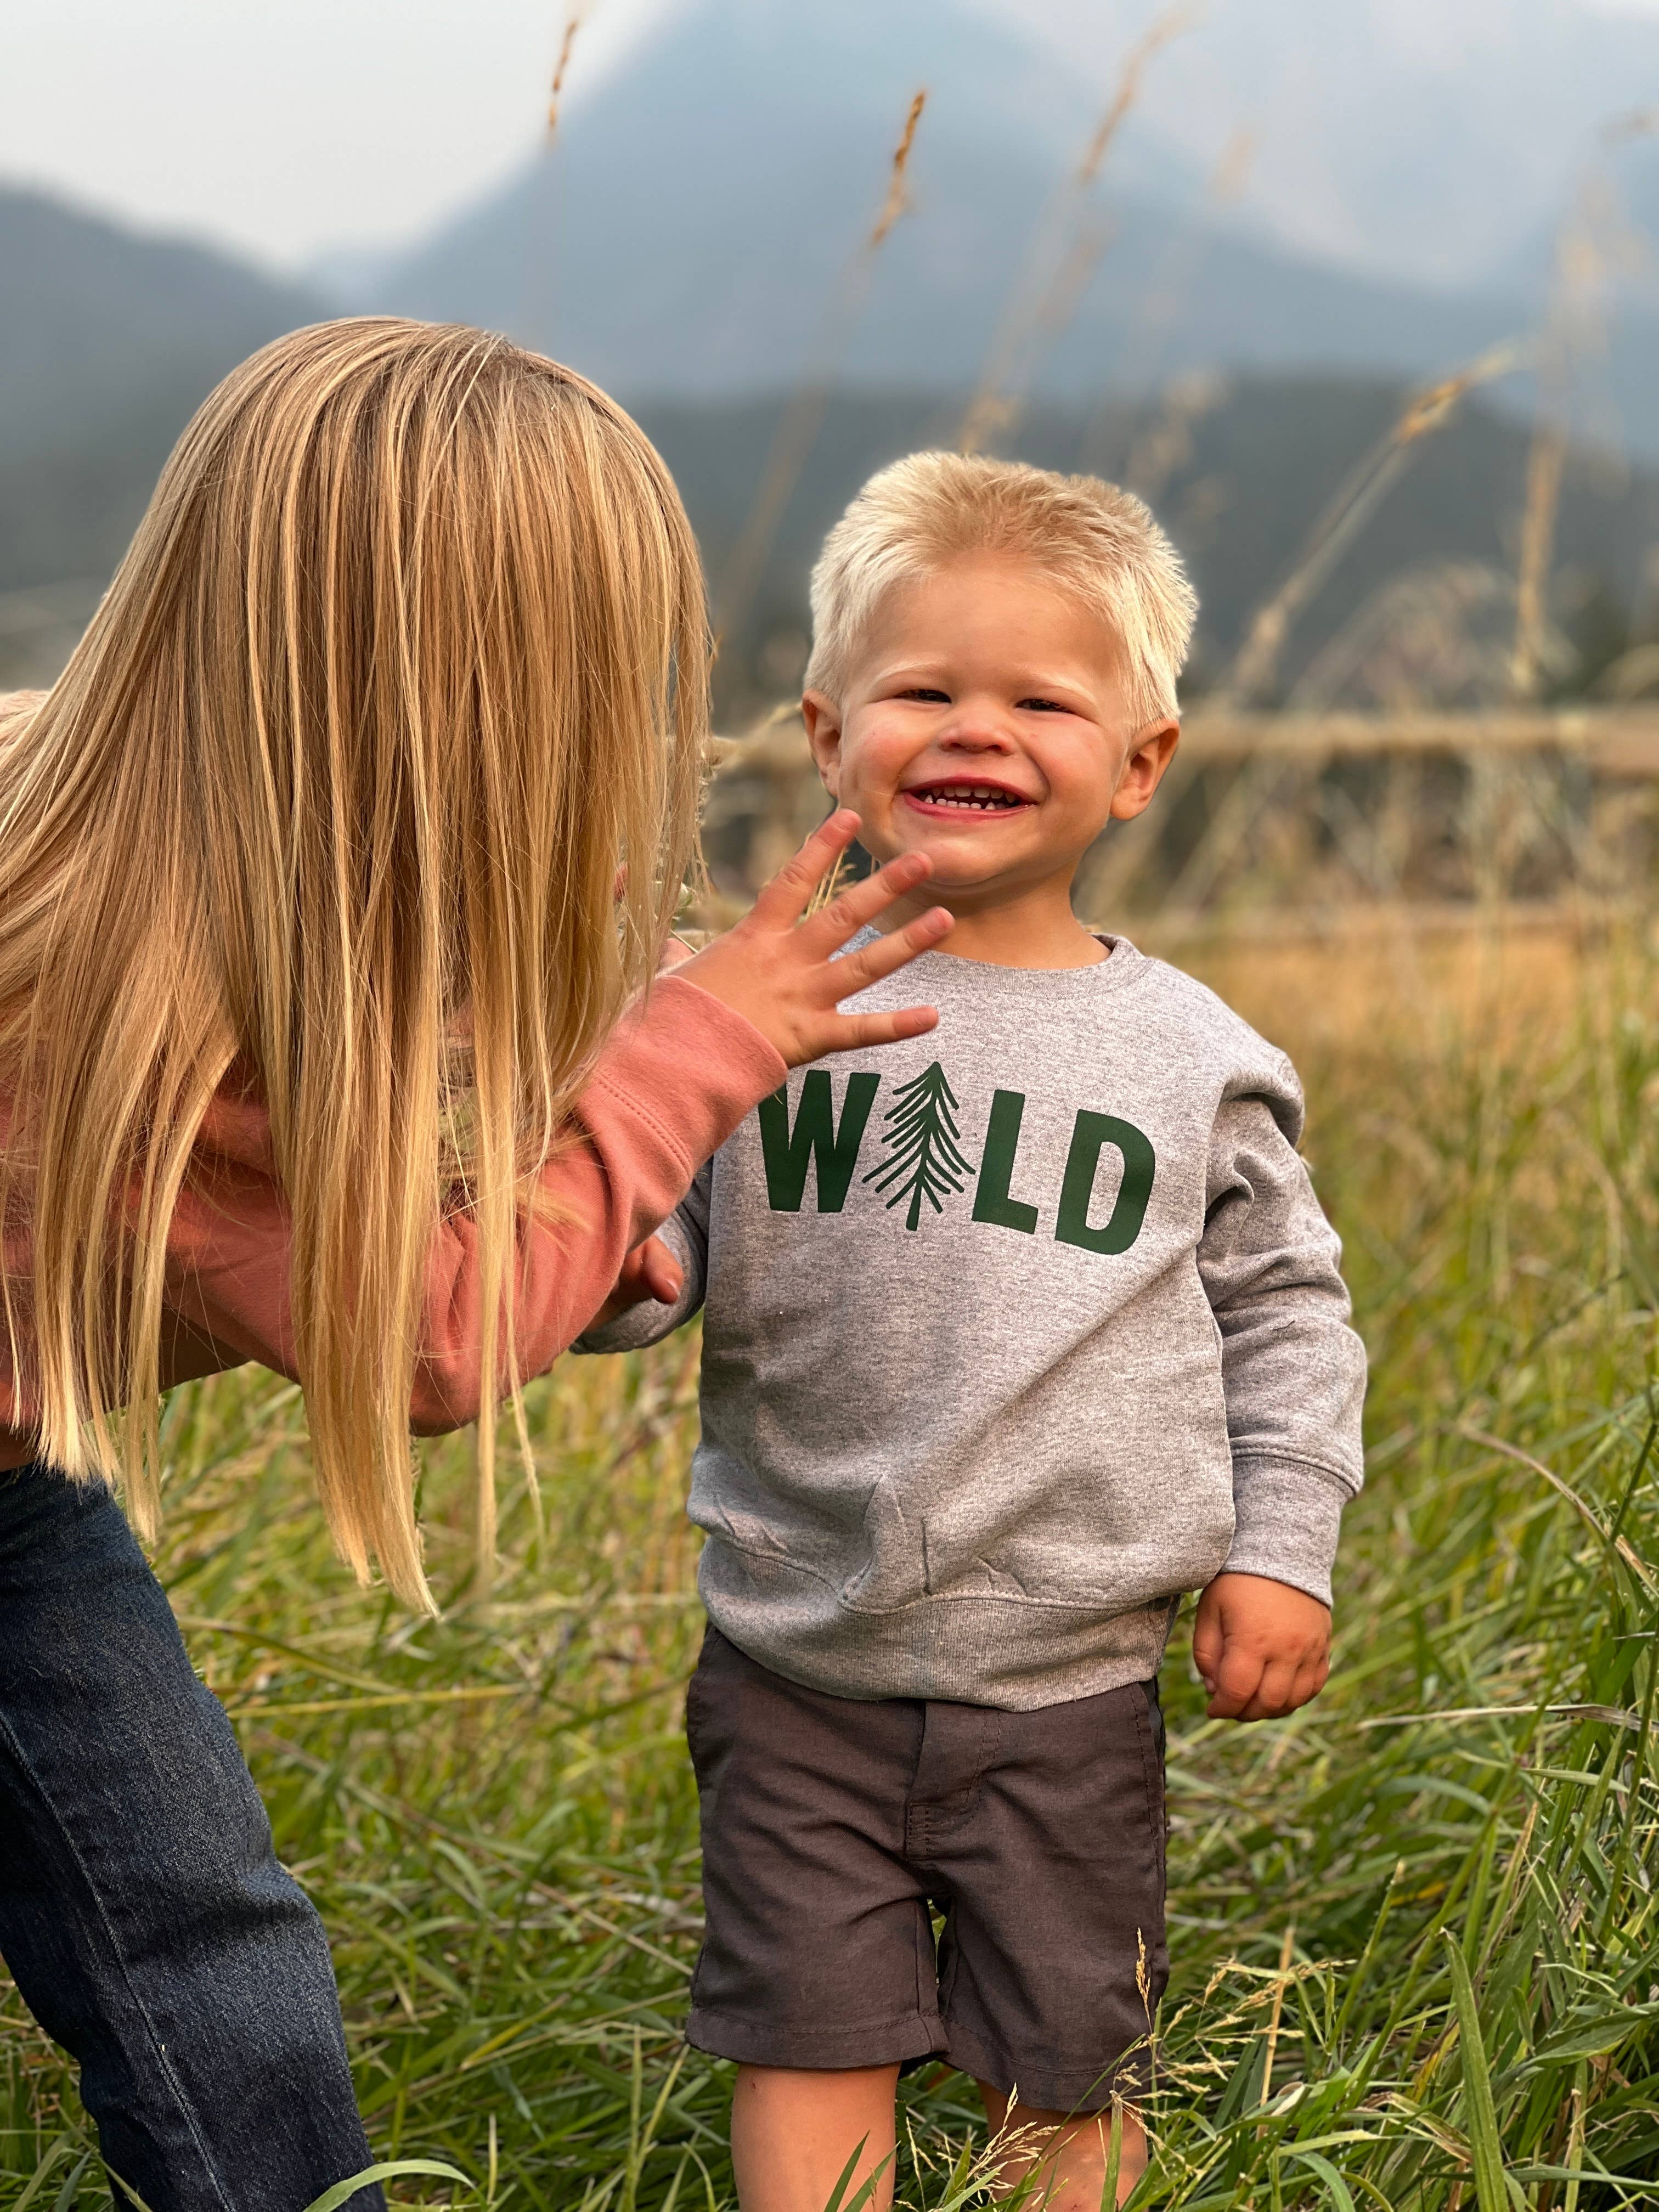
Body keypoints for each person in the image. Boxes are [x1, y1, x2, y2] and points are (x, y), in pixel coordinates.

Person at [0, 319, 954, 2212]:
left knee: (204, 1944)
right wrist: (700, 1049)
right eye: (576, 703)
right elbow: (431, 1339)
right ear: (440, 713)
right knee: (192, 1949)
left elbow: (402, 1178)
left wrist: (607, 1211)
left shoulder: (182, 877)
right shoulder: (106, 1010)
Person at [579, 452, 1370, 2210]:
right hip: (796, 1661)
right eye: (924, 688)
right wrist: (616, 1277)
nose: (977, 729)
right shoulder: (747, 1010)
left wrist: (1283, 1548)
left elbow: (1289, 1314)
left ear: (1141, 763)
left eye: (1041, 700)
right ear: (824, 728)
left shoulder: (1188, 1057)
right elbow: (652, 1238)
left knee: (1061, 2069)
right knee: (808, 2039)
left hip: (1072, 1681)